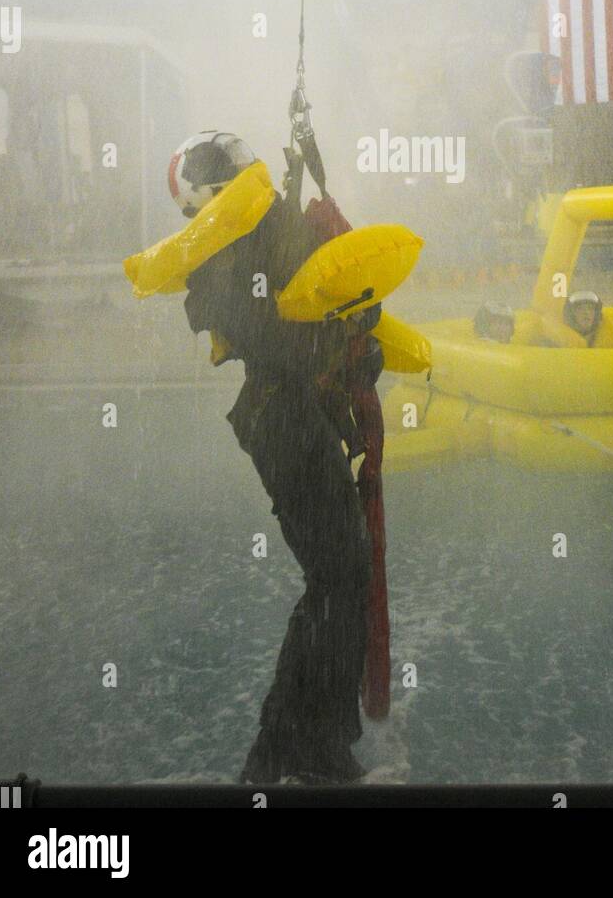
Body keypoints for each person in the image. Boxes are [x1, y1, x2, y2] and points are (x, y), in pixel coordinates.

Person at [170, 131, 380, 784]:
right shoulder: (222, 257)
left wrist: (350, 336)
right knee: (339, 576)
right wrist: (339, 332)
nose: (245, 172)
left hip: (289, 414)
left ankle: (308, 739)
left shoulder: (245, 241)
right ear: (212, 193)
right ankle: (293, 744)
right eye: (233, 171)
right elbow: (278, 331)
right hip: (281, 418)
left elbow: (294, 295)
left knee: (340, 576)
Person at [540, 290, 613, 349]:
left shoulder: (611, 336)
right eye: (580, 309)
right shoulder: (554, 340)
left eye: (591, 308)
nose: (586, 313)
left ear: (597, 314)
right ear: (570, 314)